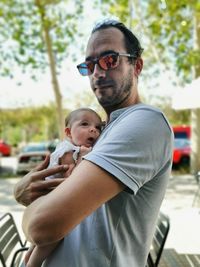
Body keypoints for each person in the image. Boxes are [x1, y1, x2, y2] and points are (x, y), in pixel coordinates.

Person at [14, 19, 174, 267]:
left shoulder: (145, 122)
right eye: (89, 65)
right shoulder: (105, 131)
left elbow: (40, 227)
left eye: (110, 59)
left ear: (137, 65)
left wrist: (27, 200)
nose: (98, 71)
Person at [25, 107, 102, 267]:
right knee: (55, 234)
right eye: (85, 124)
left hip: (52, 196)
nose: (93, 129)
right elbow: (72, 179)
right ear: (68, 132)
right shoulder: (69, 151)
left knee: (45, 238)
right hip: (52, 198)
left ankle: (31, 254)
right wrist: (82, 158)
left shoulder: (70, 147)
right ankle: (33, 263)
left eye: (98, 127)